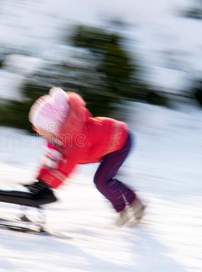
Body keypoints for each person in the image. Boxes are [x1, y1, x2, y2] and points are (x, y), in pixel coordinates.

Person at [24, 87, 146, 226]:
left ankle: (135, 204)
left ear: (55, 126)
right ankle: (123, 210)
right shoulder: (56, 138)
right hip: (105, 146)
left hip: (121, 142)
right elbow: (50, 161)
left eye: (42, 130)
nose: (40, 133)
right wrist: (40, 181)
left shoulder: (76, 139)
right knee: (105, 181)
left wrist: (48, 187)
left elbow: (67, 167)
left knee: (102, 181)